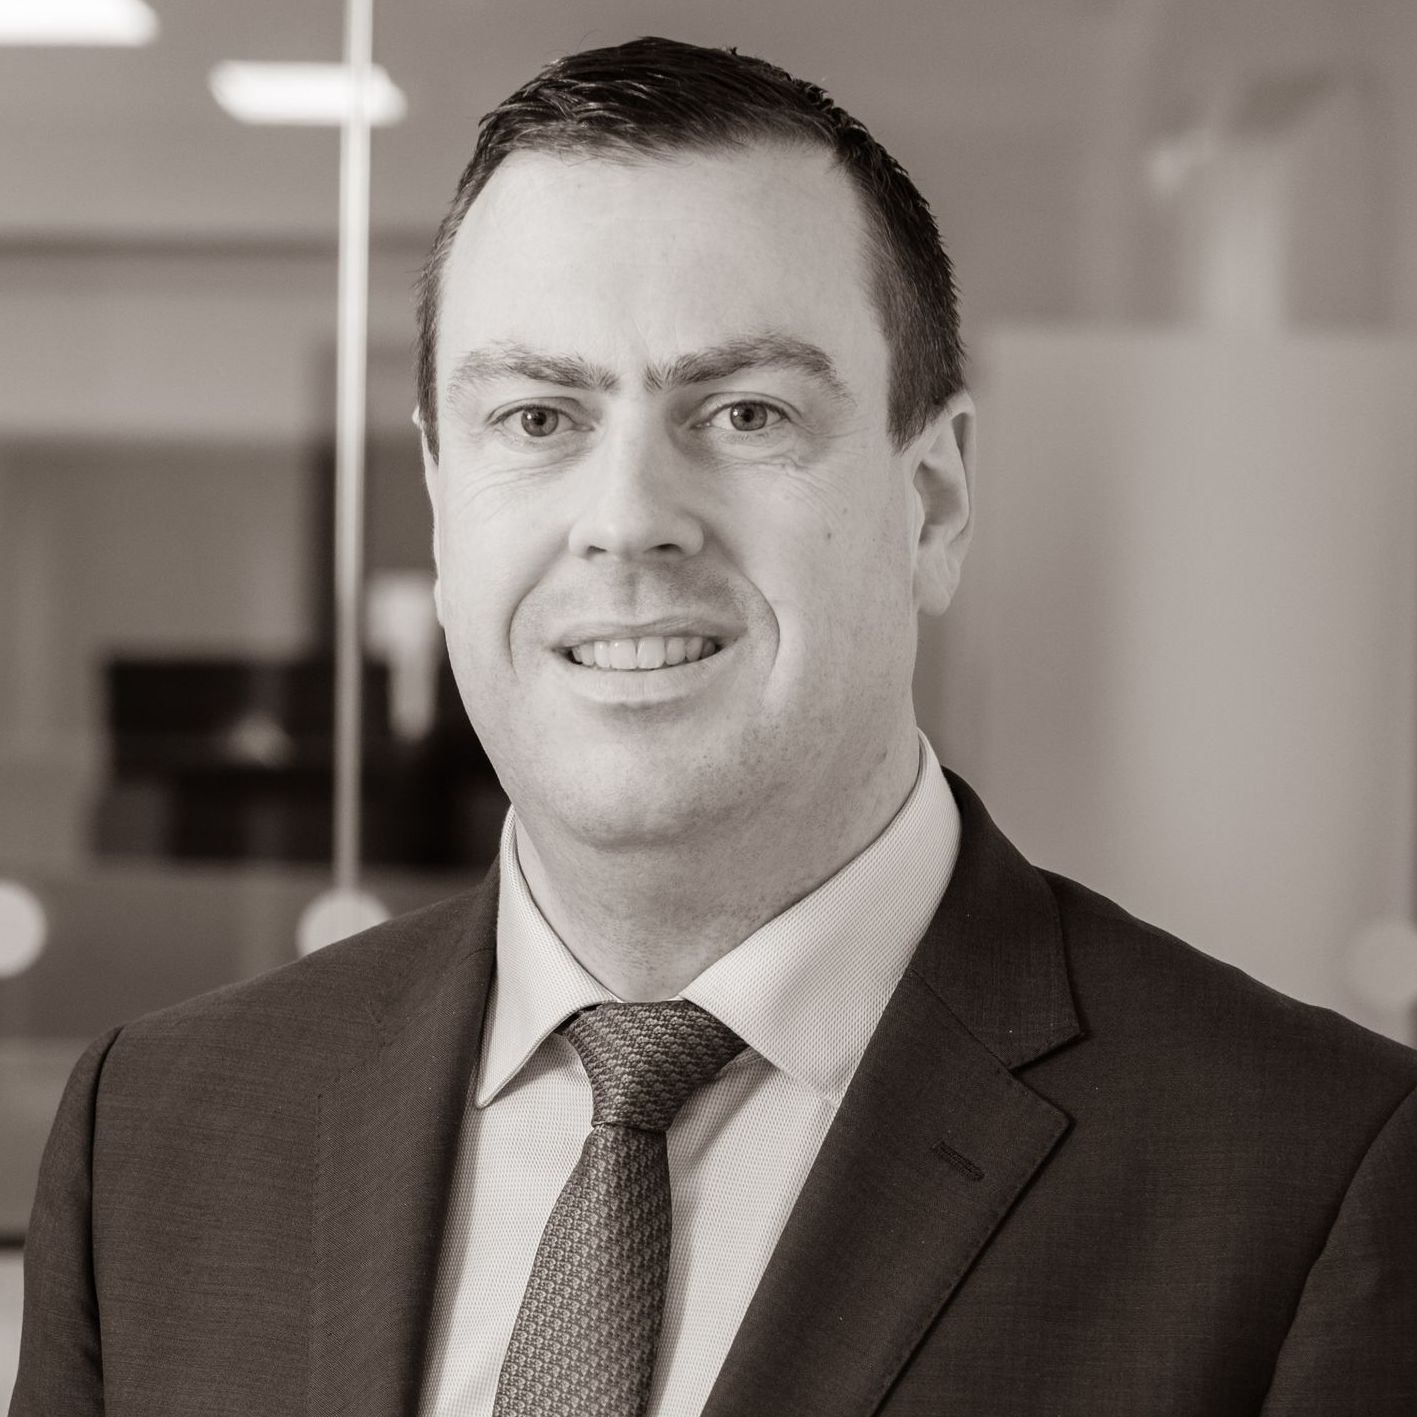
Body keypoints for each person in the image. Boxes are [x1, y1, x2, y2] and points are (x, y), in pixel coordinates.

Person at [11, 35, 1417, 1417]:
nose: (626, 519)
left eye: (744, 411)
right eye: (538, 415)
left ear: (929, 502)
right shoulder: (161, 1130)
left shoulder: (1314, 1179)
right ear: (441, 508)